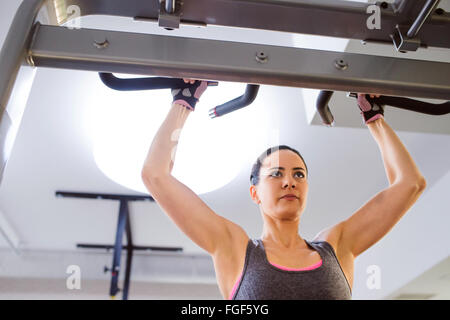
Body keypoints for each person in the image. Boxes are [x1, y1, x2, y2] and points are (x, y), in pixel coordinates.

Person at [141, 79, 427, 300]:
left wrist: (374, 118)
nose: (289, 181)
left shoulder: (337, 245)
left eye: (299, 174)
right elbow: (155, 175)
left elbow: (410, 184)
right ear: (255, 193)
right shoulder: (234, 247)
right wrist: (183, 102)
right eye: (276, 174)